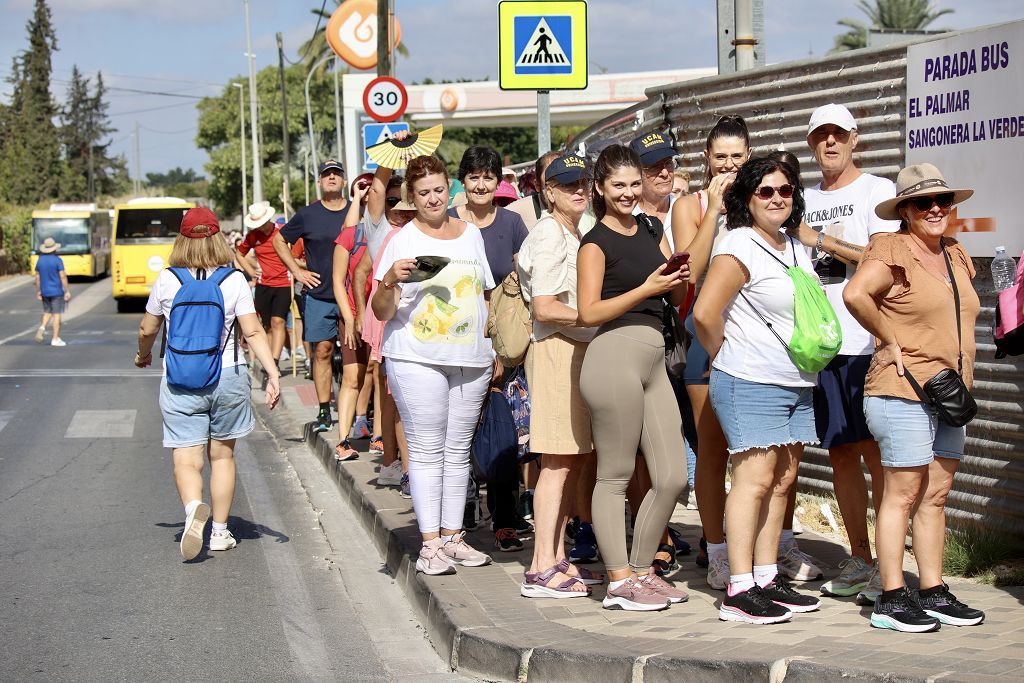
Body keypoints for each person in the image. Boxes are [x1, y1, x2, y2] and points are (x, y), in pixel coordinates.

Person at [844, 163, 984, 633]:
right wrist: (889, 339)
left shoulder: (955, 253)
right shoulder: (890, 248)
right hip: (901, 389)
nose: (936, 209)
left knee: (937, 495)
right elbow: (856, 294)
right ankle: (889, 597)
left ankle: (932, 589)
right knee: (902, 494)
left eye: (943, 200)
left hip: (950, 392)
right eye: (924, 202)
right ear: (905, 210)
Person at [694, 156, 822, 624]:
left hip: (795, 381)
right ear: (747, 199)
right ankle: (739, 588)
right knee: (752, 481)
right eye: (765, 191)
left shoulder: (792, 244)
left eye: (785, 190)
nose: (776, 198)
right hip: (751, 380)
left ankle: (767, 578)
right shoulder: (739, 243)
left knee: (782, 480)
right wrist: (726, 354)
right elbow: (705, 313)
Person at [788, 104, 900, 601]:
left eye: (838, 135)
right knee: (840, 455)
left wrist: (824, 240)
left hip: (866, 340)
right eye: (820, 137)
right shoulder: (797, 196)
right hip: (819, 345)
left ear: (855, 139)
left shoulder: (878, 190)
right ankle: (859, 558)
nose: (829, 143)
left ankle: (888, 563)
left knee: (877, 454)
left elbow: (885, 257)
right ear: (811, 144)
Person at [577, 144, 690, 611]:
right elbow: (588, 312)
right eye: (617, 185)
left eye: (632, 184)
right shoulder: (594, 242)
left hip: (655, 358)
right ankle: (619, 579)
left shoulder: (650, 227)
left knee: (672, 475)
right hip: (613, 356)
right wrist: (647, 288)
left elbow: (677, 283)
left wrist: (677, 277)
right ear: (600, 190)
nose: (627, 193)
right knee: (616, 476)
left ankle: (643, 570)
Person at [371, 154, 495, 575]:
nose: (433, 199)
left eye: (439, 190)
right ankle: (429, 546)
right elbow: (382, 311)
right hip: (416, 356)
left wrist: (491, 347)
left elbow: (485, 295)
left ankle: (452, 536)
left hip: (471, 358)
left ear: (450, 189)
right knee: (426, 450)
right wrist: (390, 279)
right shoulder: (401, 239)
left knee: (458, 450)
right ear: (412, 196)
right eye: (423, 193)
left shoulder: (471, 235)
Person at [135, 207, 280, 560]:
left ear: (182, 239)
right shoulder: (233, 281)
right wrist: (272, 373)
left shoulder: (168, 279)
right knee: (223, 456)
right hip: (228, 375)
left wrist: (143, 355)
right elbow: (254, 331)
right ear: (217, 237)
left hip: (180, 377)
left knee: (187, 459)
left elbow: (147, 329)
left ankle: (192, 511)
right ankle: (218, 531)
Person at [670, 115, 750, 587]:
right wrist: (715, 211)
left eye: (737, 156)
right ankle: (716, 548)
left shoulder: (763, 199)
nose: (729, 165)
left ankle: (769, 547)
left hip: (757, 340)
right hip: (704, 335)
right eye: (720, 156)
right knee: (713, 449)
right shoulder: (691, 204)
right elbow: (690, 271)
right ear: (707, 158)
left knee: (760, 453)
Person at [517, 155, 601, 597]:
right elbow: (544, 306)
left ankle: (556, 557)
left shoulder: (575, 229)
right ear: (548, 192)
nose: (578, 189)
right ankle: (539, 566)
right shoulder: (549, 233)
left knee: (569, 459)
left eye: (582, 181)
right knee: (556, 461)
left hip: (574, 349)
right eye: (567, 184)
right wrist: (597, 318)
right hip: (555, 349)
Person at [449, 145, 530, 551]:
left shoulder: (513, 223)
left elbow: (526, 281)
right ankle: (455, 516)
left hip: (503, 342)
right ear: (462, 181)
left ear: (499, 182)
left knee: (501, 433)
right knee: (455, 432)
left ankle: (504, 519)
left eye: (488, 177)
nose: (481, 184)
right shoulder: (448, 223)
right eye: (474, 177)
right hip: (455, 338)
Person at [628, 130, 696, 569]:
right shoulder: (631, 220)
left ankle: (666, 526)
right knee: (641, 446)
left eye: (668, 162)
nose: (664, 171)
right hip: (645, 338)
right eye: (653, 166)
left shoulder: (686, 210)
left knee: (677, 440)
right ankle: (651, 531)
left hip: (686, 340)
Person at [353, 157, 418, 493]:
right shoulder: (382, 234)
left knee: (396, 400)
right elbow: (377, 190)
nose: (401, 209)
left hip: (423, 328)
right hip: (390, 325)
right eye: (394, 202)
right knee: (398, 398)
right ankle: (405, 469)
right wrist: (390, 154)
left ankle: (394, 462)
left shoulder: (424, 232)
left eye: (408, 202)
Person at [273, 160, 350, 435]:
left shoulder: (356, 211)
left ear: (343, 181)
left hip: (353, 296)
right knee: (322, 351)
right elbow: (278, 241)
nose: (331, 178)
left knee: (359, 358)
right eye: (326, 174)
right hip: (319, 295)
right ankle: (323, 409)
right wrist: (296, 271)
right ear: (319, 181)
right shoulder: (307, 214)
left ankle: (359, 414)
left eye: (336, 174)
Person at [331, 179, 372, 461]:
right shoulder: (351, 235)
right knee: (352, 376)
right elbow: (337, 279)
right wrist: (349, 316)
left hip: (383, 317)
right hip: (353, 317)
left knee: (378, 377)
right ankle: (343, 440)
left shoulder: (398, 233)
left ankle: (380, 437)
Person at [235, 201, 293, 366]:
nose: (260, 227)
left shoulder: (282, 232)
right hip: (263, 284)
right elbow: (239, 255)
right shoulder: (253, 236)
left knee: (278, 321)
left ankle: (274, 361)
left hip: (283, 282)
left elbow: (296, 251)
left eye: (262, 223)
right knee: (266, 325)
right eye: (257, 224)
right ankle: (268, 360)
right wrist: (251, 271)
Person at [506, 152, 560, 230]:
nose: (559, 187)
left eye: (570, 182)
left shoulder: (581, 207)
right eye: (551, 181)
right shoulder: (514, 213)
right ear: (537, 186)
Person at [33, 237, 70, 347]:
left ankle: (42, 327)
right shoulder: (57, 260)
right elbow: (62, 276)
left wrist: (39, 291)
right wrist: (67, 290)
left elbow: (37, 278)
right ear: (54, 249)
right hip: (56, 291)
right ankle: (55, 338)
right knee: (56, 314)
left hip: (45, 291)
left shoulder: (40, 260)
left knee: (47, 311)